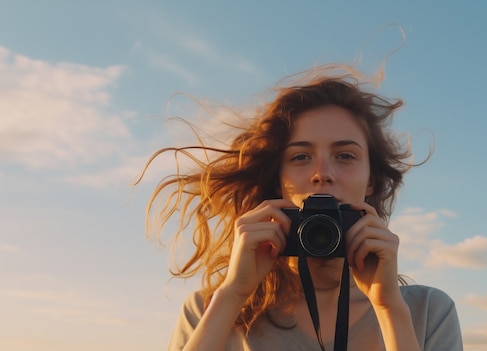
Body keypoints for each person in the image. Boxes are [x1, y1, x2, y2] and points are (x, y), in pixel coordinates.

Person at [141, 65, 463, 351]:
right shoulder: (211, 309)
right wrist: (234, 293)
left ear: (371, 181)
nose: (322, 173)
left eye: (345, 155)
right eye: (300, 156)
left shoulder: (425, 312)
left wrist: (390, 310)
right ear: (278, 182)